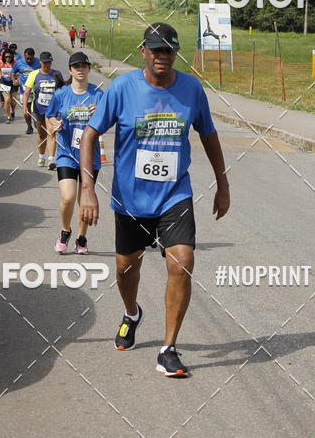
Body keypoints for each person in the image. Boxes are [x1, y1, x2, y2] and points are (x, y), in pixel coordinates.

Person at [79, 22, 230, 378]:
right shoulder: (122, 88)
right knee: (125, 268)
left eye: (169, 51)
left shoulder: (191, 89)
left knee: (182, 262)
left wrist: (223, 185)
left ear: (175, 54)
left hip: (174, 195)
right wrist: (88, 188)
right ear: (143, 52)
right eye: (156, 50)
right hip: (130, 199)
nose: (162, 56)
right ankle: (132, 313)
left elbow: (208, 135)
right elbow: (89, 136)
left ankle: (168, 348)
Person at [45, 52, 103, 254]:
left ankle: (81, 238)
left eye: (83, 66)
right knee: (68, 197)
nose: (80, 69)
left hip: (90, 157)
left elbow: (107, 122)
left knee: (83, 200)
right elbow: (49, 116)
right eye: (76, 66)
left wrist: (99, 114)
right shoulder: (61, 94)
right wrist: (54, 124)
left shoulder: (98, 94)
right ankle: (64, 230)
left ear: (89, 69)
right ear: (70, 70)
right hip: (66, 154)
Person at [23, 52, 64, 167]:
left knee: (51, 132)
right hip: (38, 109)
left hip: (53, 111)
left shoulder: (57, 74)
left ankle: (51, 159)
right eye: (45, 62)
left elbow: (63, 90)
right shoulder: (34, 74)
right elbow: (27, 92)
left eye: (49, 62)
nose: (47, 65)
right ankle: (41, 156)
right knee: (42, 135)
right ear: (40, 62)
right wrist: (25, 107)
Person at [11, 47, 41, 134]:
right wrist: (14, 80)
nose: (29, 60)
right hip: (24, 91)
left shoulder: (38, 62)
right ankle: (29, 126)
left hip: (36, 91)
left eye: (31, 59)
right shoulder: (19, 63)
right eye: (27, 58)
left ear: (34, 56)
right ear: (24, 56)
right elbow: (13, 73)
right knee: (26, 112)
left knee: (36, 110)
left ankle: (36, 122)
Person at [0, 49, 17, 122]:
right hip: (4, 82)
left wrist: (14, 76)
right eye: (6, 57)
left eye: (9, 57)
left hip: (13, 83)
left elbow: (18, 72)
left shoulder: (14, 63)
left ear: (12, 57)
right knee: (7, 100)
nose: (7, 58)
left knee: (13, 101)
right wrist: (0, 75)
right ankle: (8, 116)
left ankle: (13, 111)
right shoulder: (1, 62)